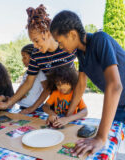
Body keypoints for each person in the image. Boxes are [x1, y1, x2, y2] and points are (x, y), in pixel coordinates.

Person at [50, 10, 125, 157]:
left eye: (60, 42)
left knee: (103, 141)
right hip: (120, 105)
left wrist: (100, 137)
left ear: (72, 34)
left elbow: (115, 86)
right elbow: (80, 86)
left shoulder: (99, 39)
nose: (60, 47)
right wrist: (67, 116)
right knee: (109, 148)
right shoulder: (80, 53)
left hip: (120, 98)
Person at [0, 4, 76, 114]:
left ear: (47, 33)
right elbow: (28, 83)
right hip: (55, 100)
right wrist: (9, 103)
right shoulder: (36, 54)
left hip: (73, 98)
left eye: (36, 41)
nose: (35, 45)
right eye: (32, 41)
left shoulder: (68, 46)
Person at [17, 44, 47, 113]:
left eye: (24, 57)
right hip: (22, 106)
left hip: (35, 109)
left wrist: (32, 108)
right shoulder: (26, 73)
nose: (22, 60)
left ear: (33, 58)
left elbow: (46, 90)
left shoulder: (40, 72)